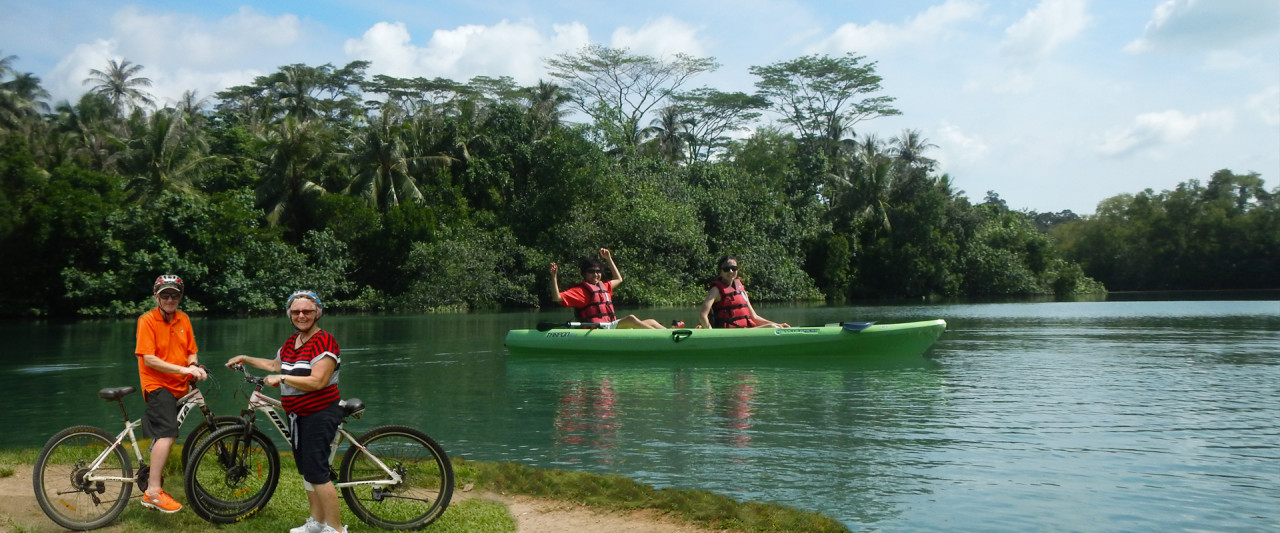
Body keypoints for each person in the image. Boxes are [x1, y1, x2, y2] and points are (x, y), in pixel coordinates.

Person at [225, 290, 346, 533]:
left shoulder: (324, 341)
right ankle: (317, 523)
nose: (301, 315)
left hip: (319, 412)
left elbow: (318, 381)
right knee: (309, 472)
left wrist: (282, 378)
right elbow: (274, 365)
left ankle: (335, 528)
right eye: (296, 311)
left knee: (318, 473)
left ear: (317, 313)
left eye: (307, 311)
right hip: (298, 415)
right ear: (290, 314)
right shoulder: (292, 343)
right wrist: (245, 358)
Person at [135, 274, 207, 513]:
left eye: (174, 295)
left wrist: (193, 366)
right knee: (167, 433)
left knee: (164, 433)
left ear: (180, 296)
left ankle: (151, 475)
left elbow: (191, 351)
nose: (169, 299)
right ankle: (153, 492)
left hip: (180, 385)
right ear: (156, 296)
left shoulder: (183, 319)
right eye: (164, 294)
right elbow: (149, 359)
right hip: (157, 385)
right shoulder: (147, 320)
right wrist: (184, 369)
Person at [550, 248, 666, 329]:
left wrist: (608, 259)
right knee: (631, 318)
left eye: (598, 271)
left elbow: (619, 279)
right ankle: (662, 338)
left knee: (652, 321)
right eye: (591, 272)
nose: (596, 275)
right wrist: (554, 277)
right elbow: (557, 298)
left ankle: (671, 333)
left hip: (610, 326)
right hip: (598, 329)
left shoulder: (604, 286)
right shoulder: (581, 291)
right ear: (584, 274)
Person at [698, 255, 789, 329]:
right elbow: (703, 316)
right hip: (728, 333)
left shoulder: (741, 290)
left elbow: (754, 317)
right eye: (726, 268)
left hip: (745, 331)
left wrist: (778, 324)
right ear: (720, 271)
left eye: (734, 268)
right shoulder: (715, 290)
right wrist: (711, 334)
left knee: (773, 326)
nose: (730, 271)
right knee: (771, 327)